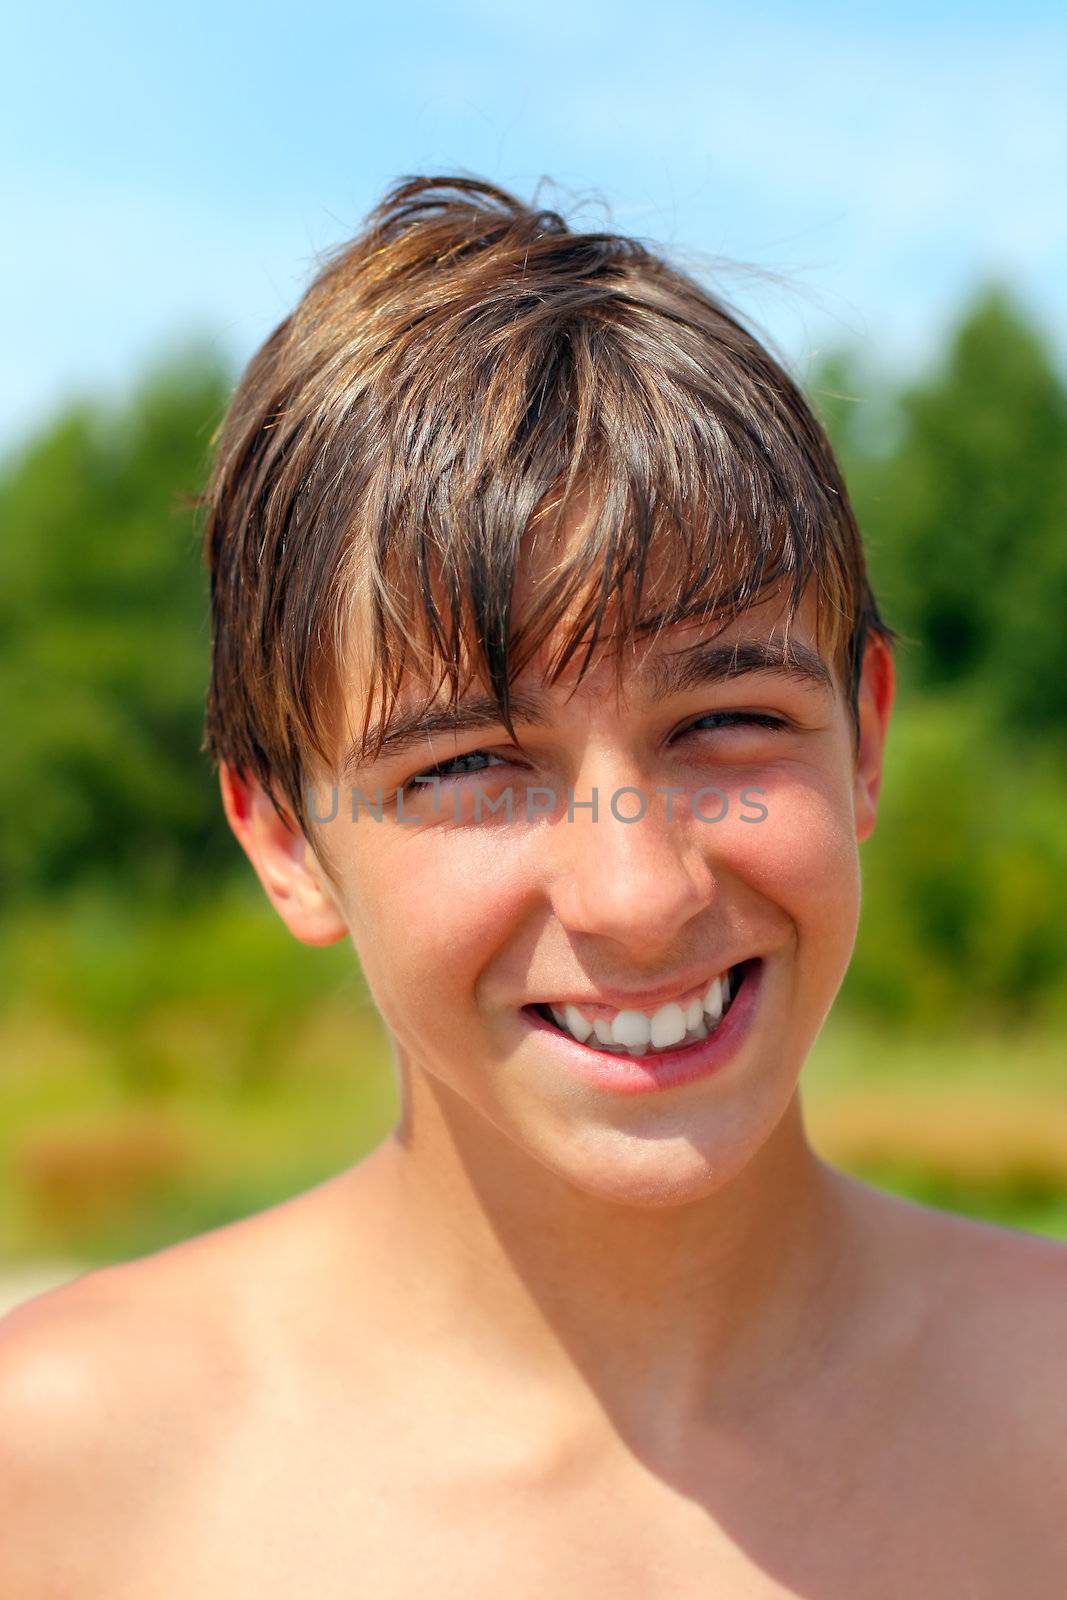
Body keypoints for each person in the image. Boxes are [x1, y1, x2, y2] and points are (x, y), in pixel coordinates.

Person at [2, 173, 1065, 1597]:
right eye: (469, 767)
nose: (639, 893)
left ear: (864, 737)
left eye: (725, 721)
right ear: (281, 839)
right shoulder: (57, 1480)